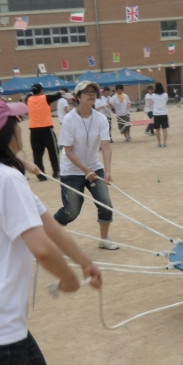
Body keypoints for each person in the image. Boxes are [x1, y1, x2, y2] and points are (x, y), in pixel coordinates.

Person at [0, 96, 102, 365]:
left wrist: (85, 262)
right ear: (1, 134)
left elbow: (52, 228)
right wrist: (69, 278)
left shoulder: (0, 176)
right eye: (14, 120)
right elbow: (42, 248)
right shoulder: (5, 179)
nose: (19, 124)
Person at [54, 81, 120, 250]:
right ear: (77, 97)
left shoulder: (101, 119)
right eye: (86, 92)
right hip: (71, 171)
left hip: (94, 167)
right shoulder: (69, 120)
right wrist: (85, 170)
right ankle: (48, 230)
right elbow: (67, 151)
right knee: (71, 211)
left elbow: (106, 146)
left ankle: (104, 239)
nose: (91, 94)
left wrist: (107, 172)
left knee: (105, 203)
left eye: (94, 91)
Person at [27, 83, 66, 181]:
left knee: (37, 153)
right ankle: (56, 171)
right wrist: (61, 91)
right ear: (41, 91)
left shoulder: (28, 99)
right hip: (46, 128)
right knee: (53, 151)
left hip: (34, 130)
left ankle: (40, 175)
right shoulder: (45, 98)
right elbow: (57, 95)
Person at [152, 82, 169, 147]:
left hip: (156, 113)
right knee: (164, 129)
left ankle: (159, 143)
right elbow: (166, 101)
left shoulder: (153, 95)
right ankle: (164, 143)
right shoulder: (165, 95)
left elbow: (153, 101)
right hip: (164, 113)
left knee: (157, 129)